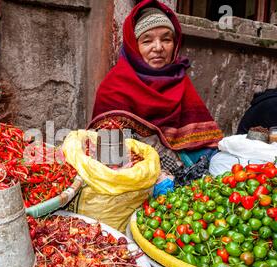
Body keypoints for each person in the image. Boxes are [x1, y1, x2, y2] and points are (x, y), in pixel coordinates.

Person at [87, 0, 223, 183]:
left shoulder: (180, 81)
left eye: (166, 39)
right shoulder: (114, 88)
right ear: (134, 46)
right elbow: (109, 157)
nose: (158, 48)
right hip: (134, 184)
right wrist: (153, 176)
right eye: (147, 41)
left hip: (187, 190)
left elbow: (205, 146)